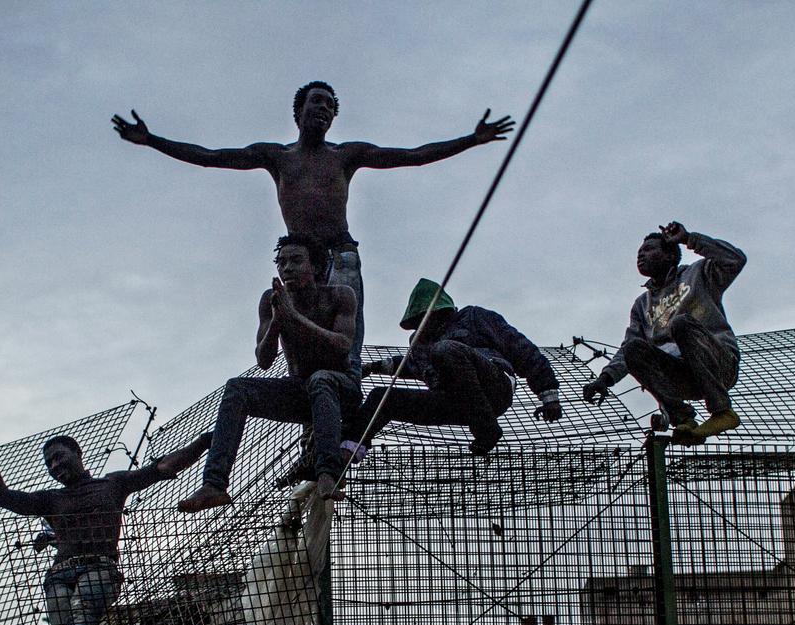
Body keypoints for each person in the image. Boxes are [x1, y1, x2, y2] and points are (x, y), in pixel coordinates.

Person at [112, 82, 514, 379]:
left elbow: (411, 156)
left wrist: (471, 141)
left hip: (339, 252)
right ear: (299, 113)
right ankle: (308, 399)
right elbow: (211, 157)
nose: (322, 109)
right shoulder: (277, 157)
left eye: (329, 105)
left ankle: (350, 384)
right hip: (301, 260)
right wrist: (151, 141)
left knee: (346, 330)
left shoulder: (345, 155)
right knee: (296, 329)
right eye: (315, 102)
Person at [0, 415, 210, 625]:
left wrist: (205, 441)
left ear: (77, 453)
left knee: (84, 608)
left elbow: (163, 467)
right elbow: (1, 496)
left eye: (59, 457)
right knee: (63, 620)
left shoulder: (112, 484)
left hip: (100, 567)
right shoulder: (50, 499)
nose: (55, 465)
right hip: (59, 573)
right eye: (49, 463)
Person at [178, 237, 359, 512]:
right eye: (282, 262)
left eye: (296, 260)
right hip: (299, 391)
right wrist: (277, 319)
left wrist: (294, 318)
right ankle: (214, 483)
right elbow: (263, 360)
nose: (287, 268)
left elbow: (342, 346)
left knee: (320, 378)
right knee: (237, 388)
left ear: (316, 266)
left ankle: (328, 474)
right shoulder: (272, 299)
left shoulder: (340, 295)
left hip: (340, 389)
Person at [352, 278, 562, 455]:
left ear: (439, 312)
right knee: (381, 398)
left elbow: (523, 350)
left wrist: (549, 396)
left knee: (445, 350)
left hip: (492, 388)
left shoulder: (474, 317)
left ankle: (486, 428)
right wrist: (372, 368)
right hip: (454, 401)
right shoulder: (421, 342)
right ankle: (349, 450)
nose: (421, 327)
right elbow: (409, 365)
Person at [583, 223, 747, 444]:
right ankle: (683, 419)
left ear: (670, 255)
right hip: (681, 376)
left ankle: (722, 411)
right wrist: (605, 379)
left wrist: (688, 238)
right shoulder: (642, 305)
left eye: (649, 249)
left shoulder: (698, 274)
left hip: (717, 365)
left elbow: (735, 259)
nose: (641, 255)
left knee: (680, 324)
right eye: (639, 252)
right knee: (634, 349)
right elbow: (627, 349)